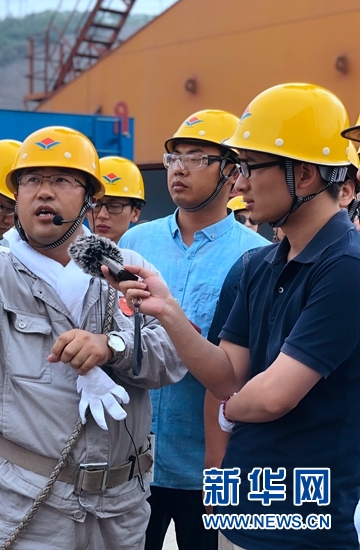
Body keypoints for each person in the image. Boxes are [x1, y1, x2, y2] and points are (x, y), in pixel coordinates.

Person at [0, 77, 185, 550]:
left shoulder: (126, 269)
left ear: (89, 198)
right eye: (32, 180)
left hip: (120, 510)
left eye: (61, 180)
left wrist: (112, 346)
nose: (44, 192)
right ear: (16, 196)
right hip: (24, 507)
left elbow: (172, 356)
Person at [109, 83, 360, 549]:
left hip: (310, 521)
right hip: (248, 504)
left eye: (250, 167)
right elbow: (227, 377)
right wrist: (166, 310)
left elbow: (272, 397)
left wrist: (229, 411)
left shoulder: (346, 267)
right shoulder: (257, 266)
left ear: (304, 175)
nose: (239, 184)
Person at [117, 109, 267, 550]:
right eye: (174, 157)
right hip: (131, 461)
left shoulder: (256, 257)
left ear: (232, 172)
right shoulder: (134, 244)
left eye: (197, 157)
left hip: (209, 466)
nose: (179, 168)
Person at [90, 156, 146, 243]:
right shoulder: (70, 250)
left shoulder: (143, 251)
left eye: (114, 206)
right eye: (95, 205)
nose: (102, 215)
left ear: (135, 213)